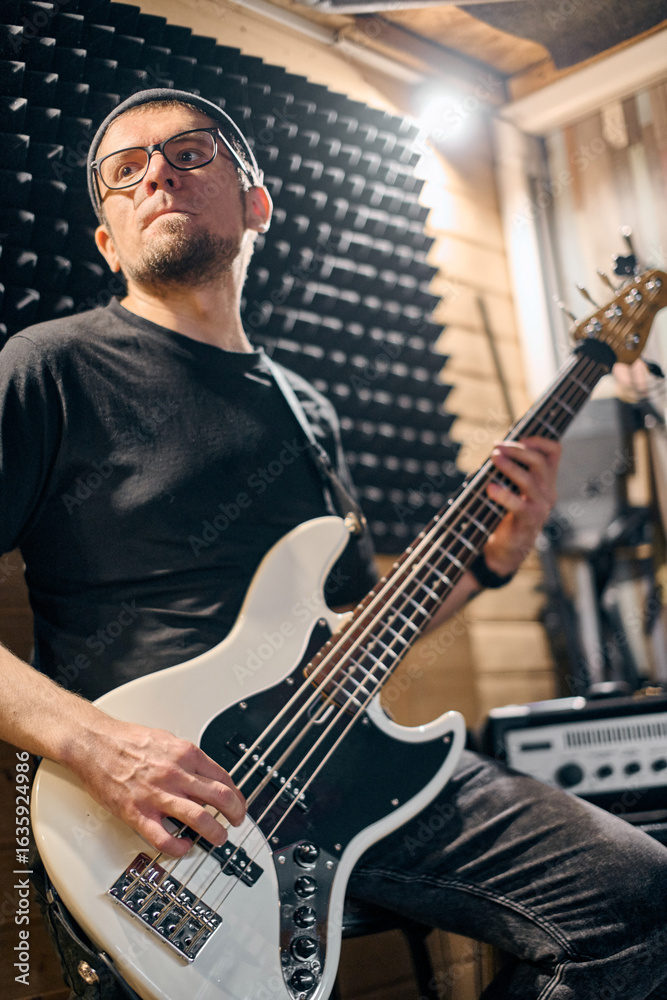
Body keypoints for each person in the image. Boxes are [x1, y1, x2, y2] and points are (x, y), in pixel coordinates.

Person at [0, 88, 665, 1000]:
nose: (155, 174)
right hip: (155, 812)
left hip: (345, 765)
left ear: (256, 203)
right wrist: (98, 744)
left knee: (639, 896)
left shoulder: (303, 408)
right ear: (108, 241)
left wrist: (492, 558)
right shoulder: (48, 367)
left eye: (189, 152)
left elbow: (348, 630)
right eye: (124, 169)